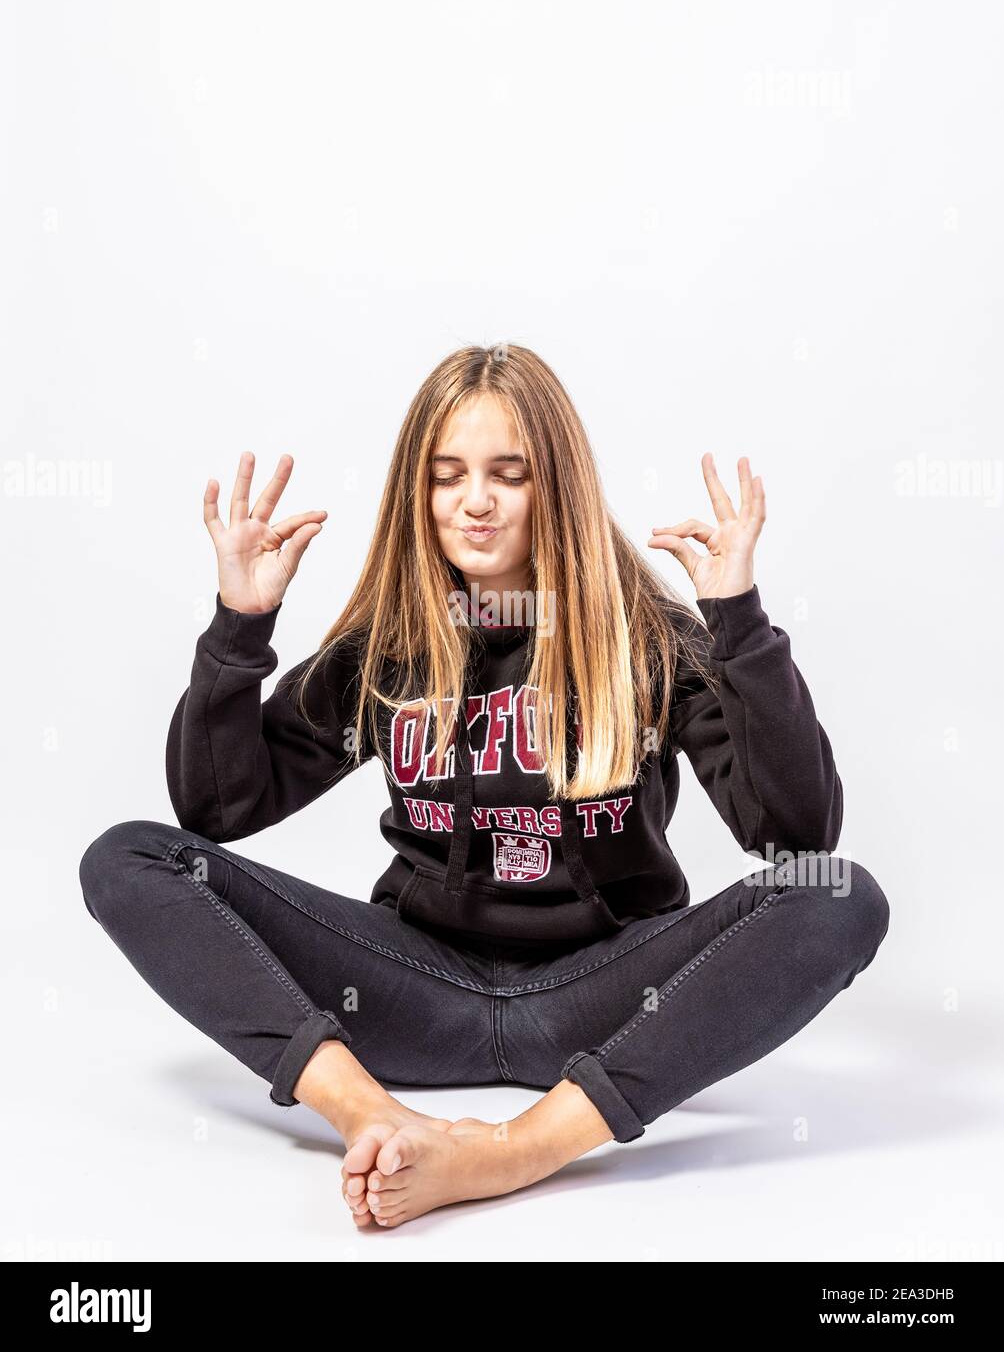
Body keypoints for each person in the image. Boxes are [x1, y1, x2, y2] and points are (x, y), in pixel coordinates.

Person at [79, 343, 890, 1230]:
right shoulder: (393, 644)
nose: (475, 501)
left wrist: (737, 621)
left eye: (510, 474)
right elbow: (217, 810)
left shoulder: (647, 639)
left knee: (838, 895)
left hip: (609, 994)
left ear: (558, 487)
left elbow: (797, 840)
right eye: (449, 475)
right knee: (129, 859)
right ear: (417, 494)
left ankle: (514, 1153)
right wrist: (241, 626)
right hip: (415, 991)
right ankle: (370, 1114)